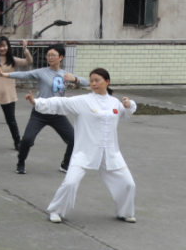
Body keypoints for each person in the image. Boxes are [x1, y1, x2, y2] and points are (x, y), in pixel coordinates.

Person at [29, 68, 137, 224]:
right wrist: (38, 102)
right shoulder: (84, 101)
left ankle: (125, 212)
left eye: (97, 80)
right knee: (70, 182)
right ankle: (56, 211)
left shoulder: (115, 103)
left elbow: (125, 114)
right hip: (85, 151)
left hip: (110, 152)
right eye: (91, 80)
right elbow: (61, 103)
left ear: (107, 82)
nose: (93, 83)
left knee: (128, 183)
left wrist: (129, 104)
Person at [0, 43, 89, 174]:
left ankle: (65, 164)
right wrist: (4, 75)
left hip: (58, 113)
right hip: (40, 112)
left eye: (53, 55)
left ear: (61, 57)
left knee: (74, 140)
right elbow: (24, 75)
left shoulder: (65, 74)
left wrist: (75, 79)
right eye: (48, 55)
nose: (49, 57)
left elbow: (86, 83)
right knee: (26, 140)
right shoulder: (42, 72)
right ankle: (21, 162)